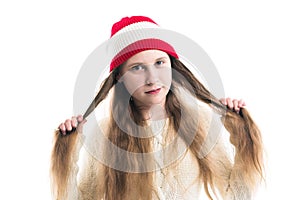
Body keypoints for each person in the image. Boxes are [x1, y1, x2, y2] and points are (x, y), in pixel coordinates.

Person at [51, 16, 263, 200]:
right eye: (137, 68)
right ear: (121, 78)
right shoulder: (105, 135)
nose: (152, 79)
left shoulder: (200, 123)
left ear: (172, 65)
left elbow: (235, 194)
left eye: (160, 63)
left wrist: (241, 133)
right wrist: (68, 149)